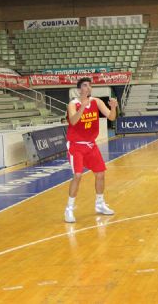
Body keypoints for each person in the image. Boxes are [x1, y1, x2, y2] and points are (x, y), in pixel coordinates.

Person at [64, 77, 118, 223]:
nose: (88, 88)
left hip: (90, 144)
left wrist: (113, 107)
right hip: (76, 145)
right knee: (78, 175)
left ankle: (100, 204)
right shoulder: (73, 104)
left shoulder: (97, 101)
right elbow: (74, 121)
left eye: (90, 85)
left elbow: (111, 117)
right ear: (79, 89)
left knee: (100, 174)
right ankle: (69, 209)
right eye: (85, 85)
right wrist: (82, 106)